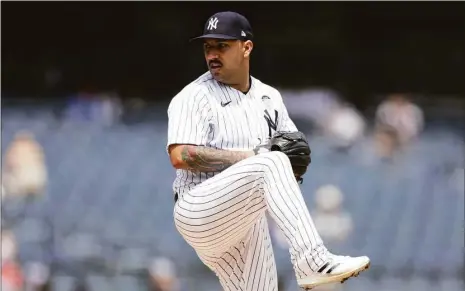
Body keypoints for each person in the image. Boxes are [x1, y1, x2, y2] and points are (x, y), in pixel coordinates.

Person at [166, 11, 370, 291]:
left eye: (222, 46)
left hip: (246, 215)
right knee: (269, 162)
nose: (212, 54)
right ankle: (312, 261)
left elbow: (292, 151)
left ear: (246, 47)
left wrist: (295, 161)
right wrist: (254, 157)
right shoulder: (193, 97)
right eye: (207, 47)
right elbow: (181, 156)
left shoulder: (269, 97)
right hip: (199, 208)